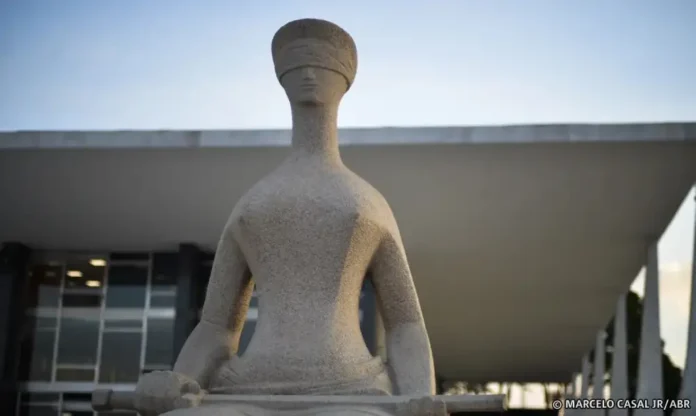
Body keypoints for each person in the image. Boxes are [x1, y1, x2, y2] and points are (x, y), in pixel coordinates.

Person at [134, 18, 435, 416]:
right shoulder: (253, 205)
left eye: (320, 63)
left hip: (352, 387)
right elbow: (217, 327)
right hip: (246, 387)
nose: (309, 74)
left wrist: (420, 394)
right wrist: (180, 381)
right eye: (298, 64)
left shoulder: (366, 204)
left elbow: (405, 322)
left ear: (345, 78)